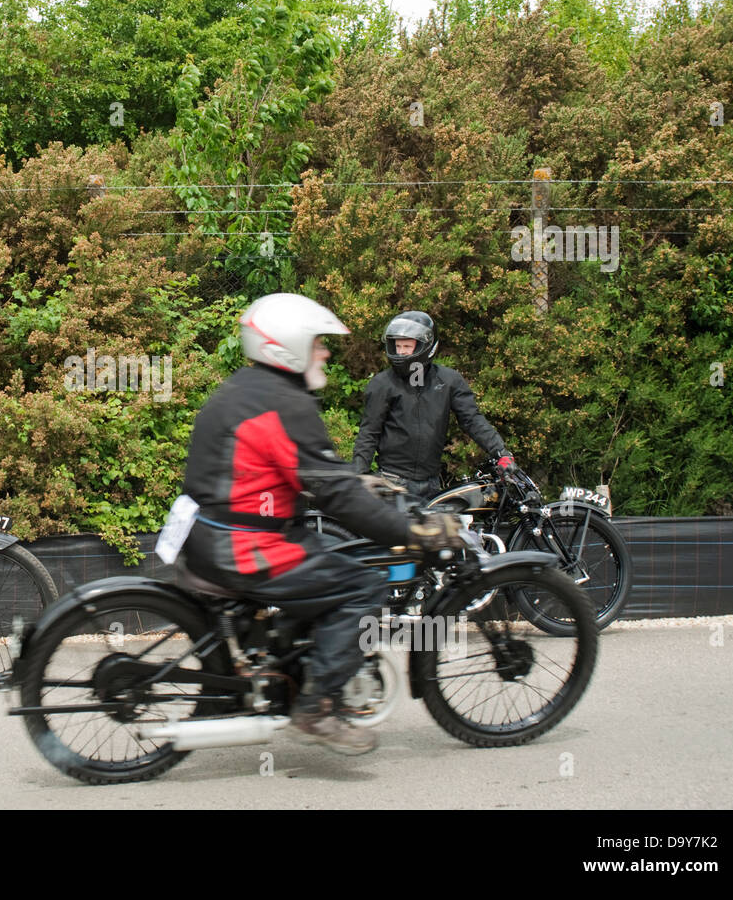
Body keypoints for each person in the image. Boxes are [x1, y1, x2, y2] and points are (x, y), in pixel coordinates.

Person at [179, 294, 461, 755]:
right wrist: (412, 532)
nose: (325, 353)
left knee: (324, 563)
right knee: (362, 587)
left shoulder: (243, 389)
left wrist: (355, 483)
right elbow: (334, 495)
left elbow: (306, 475)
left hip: (214, 533)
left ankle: (290, 669)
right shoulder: (288, 404)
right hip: (246, 543)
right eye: (317, 344)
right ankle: (317, 706)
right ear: (286, 347)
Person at [352, 311, 513, 500]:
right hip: (393, 482)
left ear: (425, 346)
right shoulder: (383, 384)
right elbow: (369, 433)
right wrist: (359, 475)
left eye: (407, 346)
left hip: (432, 483)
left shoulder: (448, 381)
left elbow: (472, 420)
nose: (401, 351)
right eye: (398, 346)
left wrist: (501, 451)